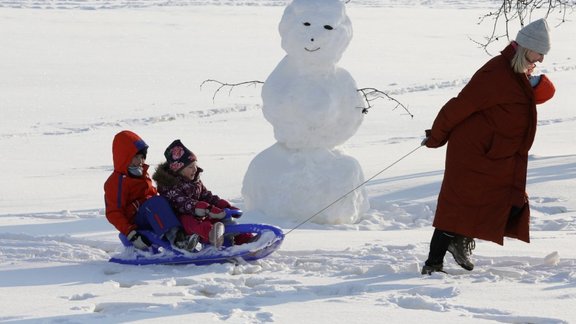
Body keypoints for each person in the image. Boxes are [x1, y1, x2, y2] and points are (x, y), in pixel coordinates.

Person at [421, 18, 556, 275]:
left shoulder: (518, 74)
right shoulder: (495, 73)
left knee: (506, 202)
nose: (540, 60)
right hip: (474, 151)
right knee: (460, 205)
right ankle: (433, 264)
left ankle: (458, 241)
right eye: (539, 53)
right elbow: (459, 106)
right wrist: (436, 137)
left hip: (496, 152)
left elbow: (521, 102)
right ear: (527, 47)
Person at [104, 130, 199, 253]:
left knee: (172, 201)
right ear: (124, 157)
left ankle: (194, 234)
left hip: (151, 214)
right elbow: (113, 212)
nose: (140, 161)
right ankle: (178, 240)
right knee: (156, 203)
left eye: (142, 157)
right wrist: (130, 233)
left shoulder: (142, 173)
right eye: (135, 157)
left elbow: (152, 195)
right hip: (136, 221)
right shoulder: (116, 182)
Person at [153, 139, 249, 249]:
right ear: (178, 169)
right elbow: (183, 203)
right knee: (191, 221)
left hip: (201, 213)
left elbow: (206, 196)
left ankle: (245, 239)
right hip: (180, 221)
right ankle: (212, 235)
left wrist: (223, 206)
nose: (195, 169)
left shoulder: (195, 181)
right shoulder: (169, 185)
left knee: (223, 219)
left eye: (195, 165)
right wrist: (205, 208)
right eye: (190, 167)